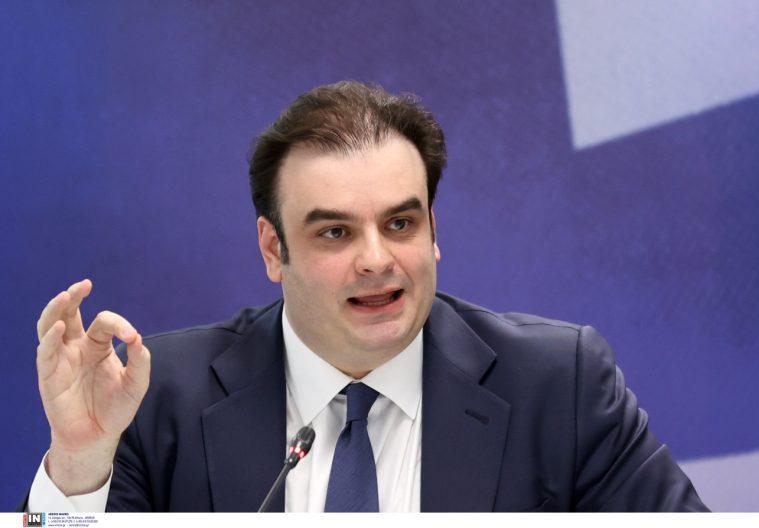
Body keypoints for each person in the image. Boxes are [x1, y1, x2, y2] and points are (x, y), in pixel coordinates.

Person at [23, 81, 707, 512]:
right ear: (273, 249)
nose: (377, 260)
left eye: (400, 224)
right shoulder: (159, 396)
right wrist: (79, 463)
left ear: (434, 231)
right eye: (335, 232)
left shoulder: (559, 386)